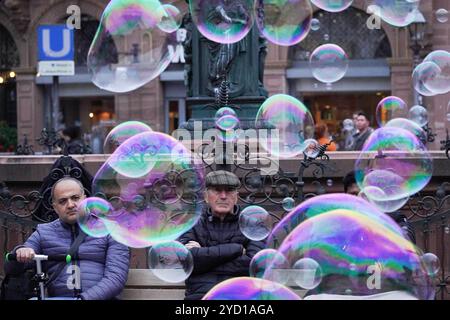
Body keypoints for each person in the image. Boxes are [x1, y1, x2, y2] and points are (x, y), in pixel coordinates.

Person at [5, 177, 130, 300]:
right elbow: (11, 269)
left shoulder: (112, 230)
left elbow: (116, 278)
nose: (70, 205)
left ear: (85, 199)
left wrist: (83, 299)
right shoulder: (43, 232)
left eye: (75, 198)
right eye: (63, 201)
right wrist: (20, 252)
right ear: (55, 207)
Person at [178, 170, 266, 300]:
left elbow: (254, 264)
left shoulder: (253, 225)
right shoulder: (192, 224)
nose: (223, 196)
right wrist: (236, 249)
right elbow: (188, 261)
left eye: (229, 190)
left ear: (236, 197)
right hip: (201, 296)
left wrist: (204, 258)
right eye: (217, 190)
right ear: (206, 196)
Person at [343, 171, 416, 244]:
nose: (359, 198)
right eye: (354, 194)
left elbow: (407, 243)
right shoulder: (340, 222)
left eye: (364, 194)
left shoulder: (395, 218)